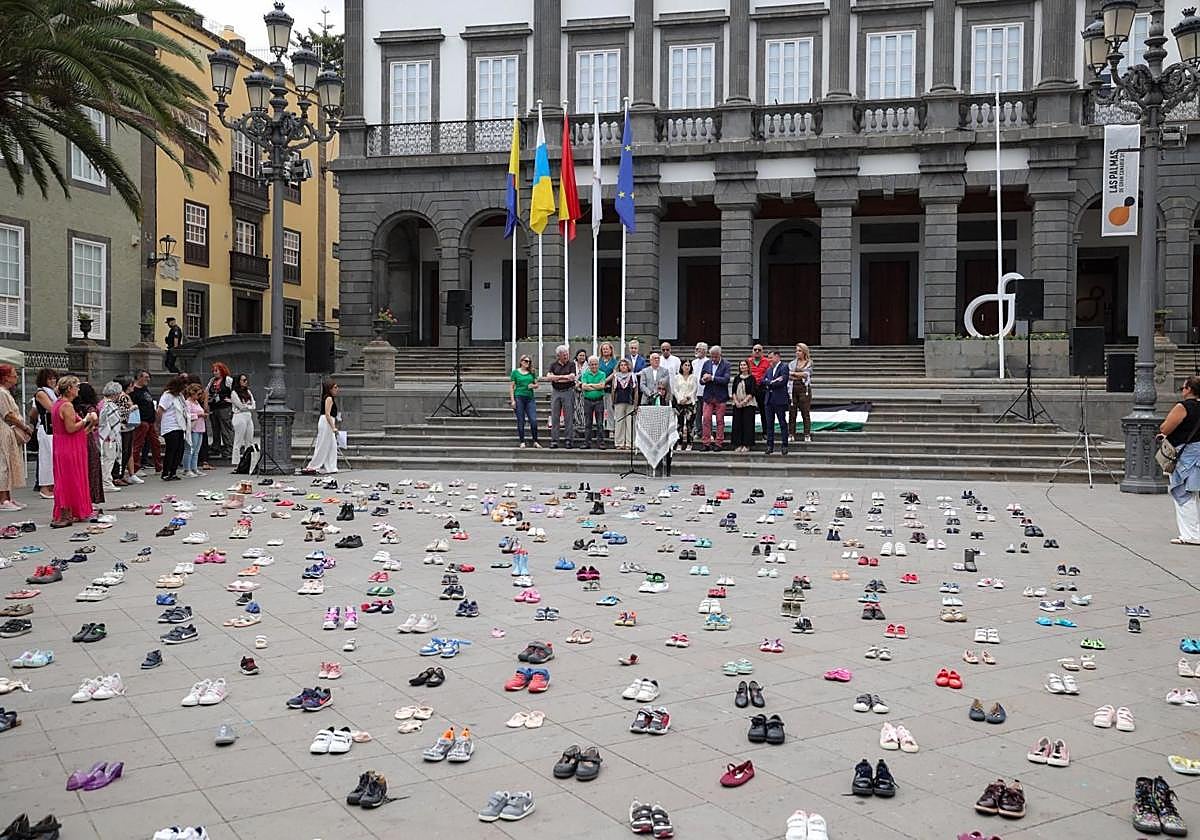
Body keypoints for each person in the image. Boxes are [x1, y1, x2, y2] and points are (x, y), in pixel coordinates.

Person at [49, 376, 95, 527]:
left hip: (62, 444)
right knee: (71, 478)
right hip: (69, 447)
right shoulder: (67, 405)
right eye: (76, 387)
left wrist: (87, 427)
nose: (78, 390)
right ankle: (69, 512)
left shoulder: (57, 404)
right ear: (69, 388)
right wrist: (86, 419)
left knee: (65, 478)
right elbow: (70, 428)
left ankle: (70, 510)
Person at [1160, 376, 1200, 545]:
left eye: (1183, 388)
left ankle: (1191, 534)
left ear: (1189, 389)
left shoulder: (1183, 407)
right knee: (1195, 493)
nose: (1182, 391)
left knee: (1183, 493)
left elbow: (1165, 428)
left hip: (1186, 455)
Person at [0, 365, 30, 511]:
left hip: (7, 430)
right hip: (3, 430)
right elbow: (8, 415)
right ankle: (3, 499)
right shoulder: (1, 393)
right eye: (13, 375)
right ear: (5, 377)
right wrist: (24, 427)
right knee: (4, 463)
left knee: (9, 462)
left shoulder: (5, 392)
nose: (16, 377)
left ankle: (8, 497)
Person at [73, 382, 104, 506]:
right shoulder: (88, 407)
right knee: (91, 469)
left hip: (77, 438)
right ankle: (91, 499)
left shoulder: (74, 406)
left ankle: (83, 500)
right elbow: (95, 418)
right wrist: (89, 427)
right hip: (87, 439)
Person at [129, 369, 161, 477]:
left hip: (150, 420)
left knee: (155, 444)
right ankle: (136, 467)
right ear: (139, 377)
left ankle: (158, 466)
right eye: (146, 377)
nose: (148, 379)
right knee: (138, 444)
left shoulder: (145, 389)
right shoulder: (134, 391)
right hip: (141, 421)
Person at [305, 379, 341, 474]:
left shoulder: (329, 398)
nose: (337, 389)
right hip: (326, 422)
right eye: (335, 387)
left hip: (327, 421)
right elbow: (327, 414)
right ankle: (314, 465)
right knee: (323, 445)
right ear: (330, 389)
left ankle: (331, 467)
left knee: (332, 446)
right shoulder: (329, 398)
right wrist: (333, 427)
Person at [32, 368, 57, 499]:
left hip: (52, 429)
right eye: (50, 378)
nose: (53, 381)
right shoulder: (41, 393)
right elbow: (52, 408)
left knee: (52, 457)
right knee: (46, 458)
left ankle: (52, 485)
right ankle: (44, 486)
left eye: (54, 378)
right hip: (46, 428)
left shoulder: (52, 392)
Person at [155, 376, 187, 481]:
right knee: (171, 450)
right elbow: (160, 410)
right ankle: (166, 472)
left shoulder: (180, 396)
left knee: (179, 449)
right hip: (170, 425)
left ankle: (173, 471)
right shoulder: (167, 395)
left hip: (179, 425)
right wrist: (158, 424)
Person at [699, 345, 731, 451]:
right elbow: (701, 380)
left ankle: (719, 443)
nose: (713, 359)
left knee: (719, 420)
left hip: (720, 397)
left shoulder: (726, 364)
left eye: (715, 357)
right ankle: (706, 443)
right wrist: (704, 379)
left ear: (720, 355)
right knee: (706, 419)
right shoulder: (706, 363)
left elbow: (726, 380)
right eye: (712, 357)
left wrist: (712, 378)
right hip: (708, 396)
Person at [545, 345, 576, 449]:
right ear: (558, 356)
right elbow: (548, 377)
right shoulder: (553, 365)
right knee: (555, 417)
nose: (566, 356)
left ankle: (568, 440)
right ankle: (554, 440)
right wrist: (564, 377)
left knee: (568, 417)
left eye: (567, 354)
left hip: (568, 391)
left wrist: (556, 378)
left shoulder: (572, 364)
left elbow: (572, 378)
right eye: (564, 355)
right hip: (556, 392)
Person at [97, 382, 126, 494]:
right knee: (108, 461)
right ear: (115, 393)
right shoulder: (109, 405)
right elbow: (109, 423)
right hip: (108, 437)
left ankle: (106, 481)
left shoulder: (101, 403)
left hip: (104, 437)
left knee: (106, 460)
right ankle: (106, 482)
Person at [763, 350, 792, 456]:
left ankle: (784, 445)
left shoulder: (784, 367)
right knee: (769, 424)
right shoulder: (769, 369)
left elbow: (783, 381)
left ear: (777, 357)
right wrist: (771, 382)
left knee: (782, 423)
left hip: (779, 399)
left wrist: (770, 383)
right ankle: (769, 446)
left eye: (771, 357)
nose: (769, 360)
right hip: (769, 399)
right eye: (768, 358)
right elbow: (763, 380)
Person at [508, 355, 540, 448]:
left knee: (533, 420)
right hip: (519, 396)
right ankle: (522, 441)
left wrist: (533, 386)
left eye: (529, 361)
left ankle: (535, 440)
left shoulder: (532, 372)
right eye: (526, 361)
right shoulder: (515, 373)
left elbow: (537, 384)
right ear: (521, 361)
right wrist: (512, 400)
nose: (527, 363)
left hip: (530, 398)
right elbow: (512, 387)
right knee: (521, 420)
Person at [110, 376, 137, 486]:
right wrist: (133, 408)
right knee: (123, 452)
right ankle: (117, 476)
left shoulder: (122, 396)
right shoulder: (123, 397)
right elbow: (123, 413)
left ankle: (119, 474)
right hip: (124, 428)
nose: (133, 386)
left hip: (124, 427)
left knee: (125, 452)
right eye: (131, 384)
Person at [206, 362, 234, 459]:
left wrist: (231, 400)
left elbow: (234, 391)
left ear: (222, 370)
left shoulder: (228, 380)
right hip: (214, 407)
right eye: (213, 371)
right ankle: (215, 447)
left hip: (224, 407)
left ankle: (229, 449)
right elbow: (206, 391)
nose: (214, 373)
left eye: (216, 371)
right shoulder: (212, 381)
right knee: (215, 428)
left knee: (226, 429)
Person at [579, 355, 607, 449]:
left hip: (599, 401)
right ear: (589, 365)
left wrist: (590, 385)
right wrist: (596, 386)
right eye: (592, 364)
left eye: (595, 364)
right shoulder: (585, 374)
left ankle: (601, 443)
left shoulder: (602, 374)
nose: (594, 366)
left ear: (598, 365)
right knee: (588, 423)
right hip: (588, 401)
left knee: (600, 423)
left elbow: (602, 386)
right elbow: (583, 387)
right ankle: (587, 442)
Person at [730, 360, 758, 453]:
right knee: (737, 424)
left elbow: (753, 392)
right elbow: (733, 391)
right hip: (737, 404)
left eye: (744, 365)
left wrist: (744, 402)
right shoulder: (737, 378)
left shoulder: (752, 378)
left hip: (748, 404)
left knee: (748, 424)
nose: (742, 367)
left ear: (748, 367)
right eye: (741, 365)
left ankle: (747, 444)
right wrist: (736, 401)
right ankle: (738, 444)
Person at [611, 359, 639, 450]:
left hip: (629, 402)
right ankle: (619, 443)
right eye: (621, 365)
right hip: (619, 401)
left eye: (625, 365)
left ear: (628, 366)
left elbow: (636, 391)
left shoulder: (633, 376)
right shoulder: (616, 376)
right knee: (619, 422)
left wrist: (635, 404)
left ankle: (630, 443)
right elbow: (613, 390)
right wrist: (612, 402)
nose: (623, 367)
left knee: (630, 423)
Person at [789, 342, 813, 443]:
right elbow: (789, 375)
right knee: (792, 412)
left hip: (804, 389)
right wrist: (797, 374)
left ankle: (807, 434)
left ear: (804, 352)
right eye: (796, 351)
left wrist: (795, 374)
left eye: (799, 351)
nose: (797, 353)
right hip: (793, 388)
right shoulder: (792, 363)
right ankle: (791, 433)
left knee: (805, 412)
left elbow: (806, 374)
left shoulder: (809, 362)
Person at [230, 373, 257, 464]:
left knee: (249, 440)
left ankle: (247, 461)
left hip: (248, 416)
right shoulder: (234, 393)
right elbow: (240, 406)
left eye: (246, 380)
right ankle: (236, 462)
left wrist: (248, 406)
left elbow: (253, 405)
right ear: (238, 381)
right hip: (239, 416)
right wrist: (248, 406)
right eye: (243, 380)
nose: (246, 382)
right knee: (238, 440)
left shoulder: (248, 392)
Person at [182, 383, 207, 478]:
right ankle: (187, 469)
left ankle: (194, 468)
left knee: (196, 450)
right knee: (190, 449)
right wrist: (199, 415)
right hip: (193, 428)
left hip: (200, 428)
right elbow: (187, 415)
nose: (199, 396)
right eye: (198, 394)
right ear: (192, 393)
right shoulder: (188, 403)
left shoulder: (196, 402)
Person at [672, 358, 697, 451]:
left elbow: (694, 389)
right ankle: (679, 443)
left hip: (690, 403)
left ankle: (690, 443)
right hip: (680, 403)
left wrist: (688, 398)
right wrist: (680, 399)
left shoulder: (693, 377)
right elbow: (675, 390)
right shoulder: (677, 377)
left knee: (690, 424)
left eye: (688, 365)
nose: (687, 367)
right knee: (680, 424)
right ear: (681, 366)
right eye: (685, 365)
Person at [747, 343, 771, 436]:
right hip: (750, 387)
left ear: (762, 352)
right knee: (749, 411)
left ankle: (766, 432)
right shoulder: (748, 361)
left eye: (759, 350)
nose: (757, 351)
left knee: (764, 411)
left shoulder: (767, 361)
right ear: (752, 351)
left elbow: (769, 374)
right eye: (755, 350)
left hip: (762, 388)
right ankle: (750, 433)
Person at [598, 342, 618, 438]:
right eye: (603, 349)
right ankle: (600, 428)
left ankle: (611, 429)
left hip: (610, 389)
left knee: (610, 410)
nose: (605, 350)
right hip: (599, 389)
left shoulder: (615, 361)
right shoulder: (598, 361)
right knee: (600, 409)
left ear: (611, 350)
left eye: (607, 349)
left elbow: (615, 373)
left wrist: (605, 381)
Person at [691, 342, 709, 441]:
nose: (696, 350)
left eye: (699, 349)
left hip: (705, 391)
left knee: (706, 414)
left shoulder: (708, 362)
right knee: (697, 413)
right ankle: (698, 431)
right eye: (696, 348)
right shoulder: (693, 362)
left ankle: (707, 432)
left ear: (704, 350)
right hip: (695, 391)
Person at [571, 349, 588, 445]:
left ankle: (582, 428)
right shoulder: (572, 365)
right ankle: (575, 428)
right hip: (573, 389)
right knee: (574, 408)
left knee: (581, 408)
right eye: (580, 355)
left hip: (583, 390)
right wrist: (575, 384)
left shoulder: (587, 365)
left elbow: (587, 376)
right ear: (577, 356)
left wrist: (581, 384)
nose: (582, 357)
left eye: (583, 355)